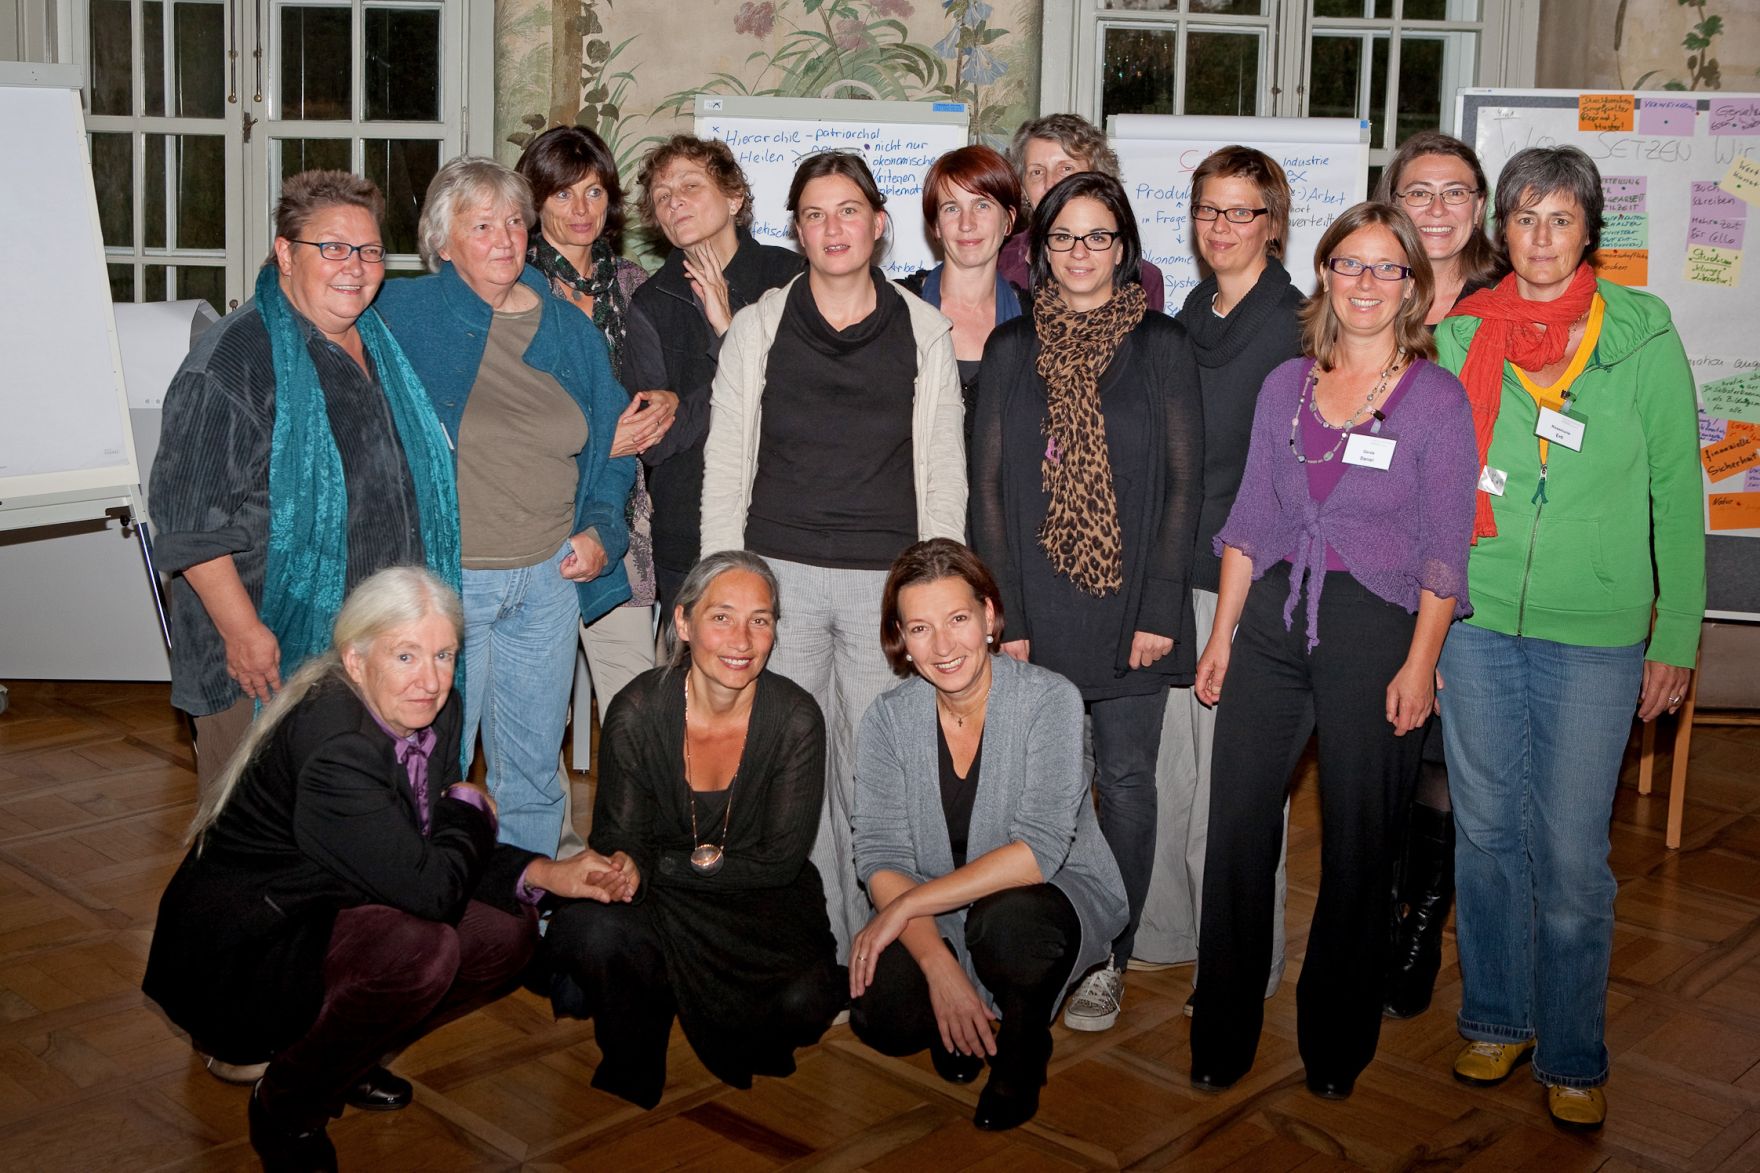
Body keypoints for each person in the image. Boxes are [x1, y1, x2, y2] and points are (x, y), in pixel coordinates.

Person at [141, 567, 629, 1171]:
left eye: (445, 654)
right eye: (406, 655)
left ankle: (342, 1056)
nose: (430, 680)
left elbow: (419, 847)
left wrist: (546, 873)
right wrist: (471, 805)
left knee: (508, 935)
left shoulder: (426, 709)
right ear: (356, 660)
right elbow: (430, 885)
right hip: (245, 961)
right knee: (421, 951)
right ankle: (287, 1105)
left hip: (328, 909)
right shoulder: (336, 749)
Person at [1434, 146, 1703, 1131]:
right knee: (1487, 834)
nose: (1538, 238)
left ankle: (1574, 1049)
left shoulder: (1639, 334)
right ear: (1497, 232)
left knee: (1569, 848)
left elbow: (1677, 494)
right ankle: (1495, 1016)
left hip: (1595, 633)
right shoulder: (1464, 330)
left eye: (1558, 218)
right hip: (1476, 620)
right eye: (1520, 218)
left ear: (1588, 231)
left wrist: (1672, 634)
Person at [1189, 202, 1477, 1099]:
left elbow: (1444, 545)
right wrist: (1222, 635)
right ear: (1324, 275)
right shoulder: (1286, 385)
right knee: (1236, 829)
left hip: (1374, 629)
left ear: (1411, 289)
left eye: (1387, 268)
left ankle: (1335, 1045)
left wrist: (1421, 662)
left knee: (1361, 843)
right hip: (1274, 617)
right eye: (1349, 264)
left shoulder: (1435, 399)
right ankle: (1222, 1032)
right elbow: (1250, 519)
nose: (1365, 283)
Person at [699, 150, 966, 962]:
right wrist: (720, 588)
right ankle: (807, 941)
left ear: (880, 224)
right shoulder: (758, 327)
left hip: (886, 584)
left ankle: (876, 943)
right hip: (778, 578)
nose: (832, 227)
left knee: (876, 771)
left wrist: (936, 586)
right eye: (814, 214)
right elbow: (726, 462)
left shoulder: (925, 331)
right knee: (789, 768)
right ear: (797, 231)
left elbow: (944, 471)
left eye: (847, 210)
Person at [969, 170, 1202, 1034]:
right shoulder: (1008, 348)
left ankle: (1111, 953)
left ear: (1124, 249)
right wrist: (1009, 619)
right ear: (1038, 250)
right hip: (1036, 606)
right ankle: (1033, 944)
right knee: (1037, 787)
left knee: (1129, 782)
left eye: (1099, 236)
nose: (1080, 253)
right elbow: (988, 490)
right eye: (1064, 236)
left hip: (1133, 605)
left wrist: (1160, 609)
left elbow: (1182, 488)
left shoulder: (1164, 347)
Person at [151, 171, 460, 800]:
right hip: (267, 653)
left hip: (372, 650)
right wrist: (245, 635)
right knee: (260, 836)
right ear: (286, 253)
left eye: (370, 251)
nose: (355, 266)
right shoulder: (233, 362)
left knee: (362, 832)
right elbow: (188, 526)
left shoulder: (377, 342)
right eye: (333, 248)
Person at [374, 157, 636, 858]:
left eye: (514, 221)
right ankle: (433, 899)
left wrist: (603, 529)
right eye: (481, 224)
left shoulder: (567, 327)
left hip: (549, 578)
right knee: (436, 763)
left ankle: (528, 898)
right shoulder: (401, 313)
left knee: (532, 770)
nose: (503, 238)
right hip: (449, 586)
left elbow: (613, 444)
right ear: (443, 239)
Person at [542, 551, 846, 1109]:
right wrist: (627, 862)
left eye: (761, 620)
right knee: (591, 931)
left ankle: (712, 1005)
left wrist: (657, 865)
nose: (742, 639)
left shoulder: (796, 717)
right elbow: (620, 835)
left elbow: (778, 864)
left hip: (755, 906)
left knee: (810, 1001)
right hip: (661, 903)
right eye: (722, 617)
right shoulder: (636, 709)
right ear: (683, 623)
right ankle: (637, 1044)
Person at [850, 539, 1127, 1131]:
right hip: (942, 906)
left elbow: (1040, 852)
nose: (944, 646)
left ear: (990, 617)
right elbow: (880, 854)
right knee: (881, 1011)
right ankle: (964, 1009)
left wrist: (907, 908)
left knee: (1008, 925)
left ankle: (1024, 1043)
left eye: (958, 620)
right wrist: (939, 970)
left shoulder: (1049, 698)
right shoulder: (887, 719)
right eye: (920, 628)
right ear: (900, 638)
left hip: (1043, 895)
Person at [1137, 147, 1305, 1000]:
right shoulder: (1189, 310)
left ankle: (1240, 953)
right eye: (1208, 209)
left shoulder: (1298, 324)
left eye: (1241, 212)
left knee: (1235, 782)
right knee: (1170, 766)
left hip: (1250, 577)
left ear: (1273, 222)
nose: (1222, 227)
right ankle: (1167, 930)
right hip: (1169, 568)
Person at [1372, 130, 1505, 1019]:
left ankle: (1421, 925)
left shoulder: (1511, 301)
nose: (1439, 210)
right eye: (1420, 193)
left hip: (1484, 566)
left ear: (1480, 206)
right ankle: (1384, 910)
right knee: (1386, 756)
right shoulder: (1371, 289)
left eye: (1456, 192)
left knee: (1448, 768)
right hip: (1383, 564)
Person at [516, 125, 676, 740]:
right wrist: (592, 443)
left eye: (593, 193)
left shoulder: (636, 288)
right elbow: (499, 419)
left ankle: (627, 840)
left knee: (637, 711)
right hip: (535, 516)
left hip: (626, 521)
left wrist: (667, 399)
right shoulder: (515, 291)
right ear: (535, 203)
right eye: (562, 195)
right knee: (533, 716)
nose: (581, 210)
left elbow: (672, 384)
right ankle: (543, 843)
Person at [623, 136, 804, 614]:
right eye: (663, 196)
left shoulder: (790, 278)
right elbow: (658, 442)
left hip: (788, 520)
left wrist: (726, 336)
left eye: (690, 186)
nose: (674, 201)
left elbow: (798, 397)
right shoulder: (650, 302)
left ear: (733, 196)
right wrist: (740, 367)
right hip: (690, 528)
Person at [898, 145, 1027, 444]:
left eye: (982, 205)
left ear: (1008, 219)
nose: (966, 223)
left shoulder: (1035, 320)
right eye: (951, 208)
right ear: (936, 227)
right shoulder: (896, 306)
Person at [999, 114, 1166, 311]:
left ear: (1097, 177)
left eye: (1066, 169)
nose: (1050, 183)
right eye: (1037, 172)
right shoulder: (998, 267)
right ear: (1023, 188)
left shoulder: (1144, 280)